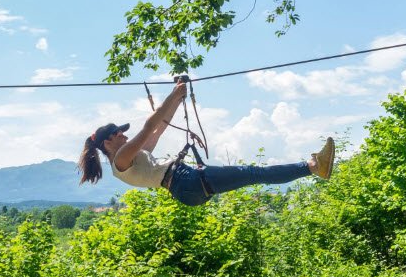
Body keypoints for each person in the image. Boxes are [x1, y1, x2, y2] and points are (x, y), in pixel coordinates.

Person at [78, 81, 335, 206]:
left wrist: (178, 98)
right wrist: (175, 93)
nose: (124, 135)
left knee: (253, 175)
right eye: (120, 133)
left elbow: (161, 126)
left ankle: (312, 167)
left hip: (185, 188)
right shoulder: (122, 158)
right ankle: (313, 166)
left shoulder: (129, 160)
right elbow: (148, 127)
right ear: (109, 140)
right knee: (254, 173)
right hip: (185, 181)